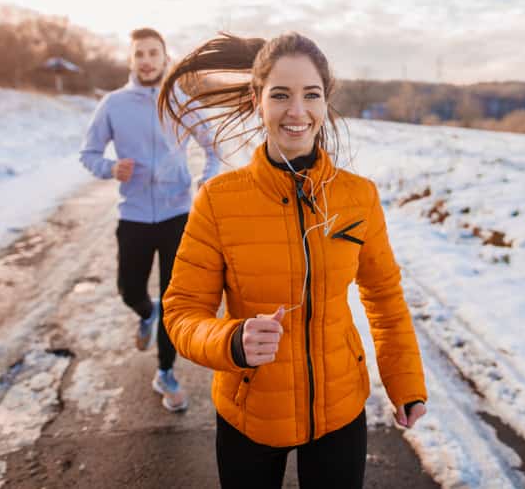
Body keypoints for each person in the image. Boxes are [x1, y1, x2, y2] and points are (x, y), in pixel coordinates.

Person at [158, 32, 427, 488]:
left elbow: (383, 296)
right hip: (251, 414)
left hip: (341, 411)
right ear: (257, 99)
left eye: (311, 95)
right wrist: (232, 340)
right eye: (280, 94)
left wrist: (405, 382)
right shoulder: (219, 201)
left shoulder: (358, 197)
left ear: (326, 101)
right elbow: (182, 313)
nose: (297, 111)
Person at [79, 27, 220, 412]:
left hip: (177, 215)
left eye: (153, 53)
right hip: (135, 215)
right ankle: (145, 312)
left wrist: (206, 180)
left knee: (174, 300)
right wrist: (111, 168)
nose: (146, 60)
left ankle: (166, 372)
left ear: (164, 58)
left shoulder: (182, 102)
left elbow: (214, 149)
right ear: (131, 60)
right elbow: (88, 153)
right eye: (139, 53)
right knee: (129, 289)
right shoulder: (113, 105)